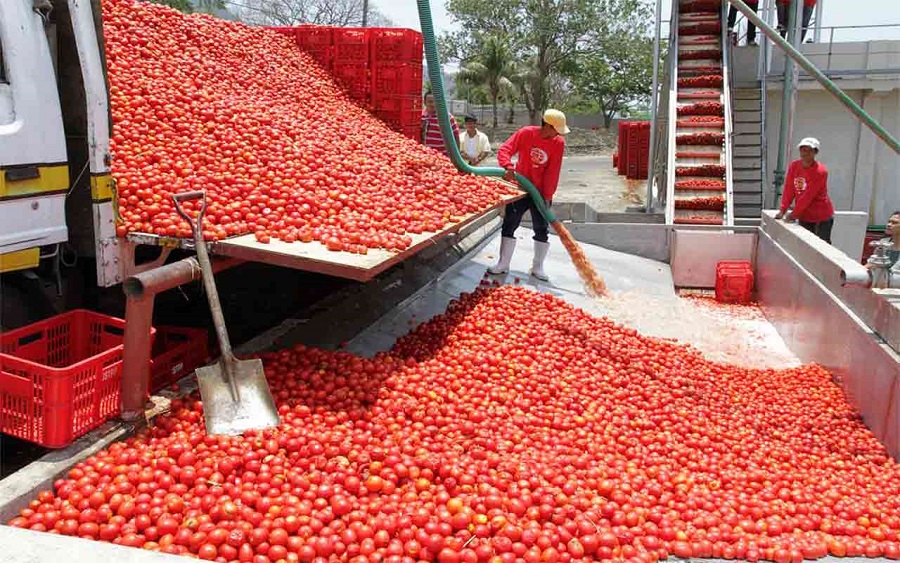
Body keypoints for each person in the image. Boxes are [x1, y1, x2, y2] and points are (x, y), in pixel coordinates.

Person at [487, 109, 569, 281]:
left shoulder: (558, 142)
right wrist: (507, 166)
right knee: (510, 223)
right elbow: (505, 149)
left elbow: (553, 171)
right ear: (546, 126)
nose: (558, 133)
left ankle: (538, 267)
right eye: (556, 129)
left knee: (541, 228)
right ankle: (503, 263)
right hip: (520, 187)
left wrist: (547, 195)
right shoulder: (526, 134)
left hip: (540, 193)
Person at [775, 137, 835, 243]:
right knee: (806, 244)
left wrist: (793, 214)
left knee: (821, 245)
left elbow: (808, 196)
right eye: (802, 149)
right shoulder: (794, 166)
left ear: (815, 152)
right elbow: (789, 189)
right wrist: (783, 210)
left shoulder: (820, 171)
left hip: (821, 217)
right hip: (804, 215)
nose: (805, 153)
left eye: (809, 150)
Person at [421, 91, 460, 156]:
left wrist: (457, 157)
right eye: (430, 102)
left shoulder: (447, 117)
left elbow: (456, 137)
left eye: (435, 101)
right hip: (425, 156)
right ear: (424, 102)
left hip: (442, 157)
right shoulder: (421, 116)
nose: (433, 104)